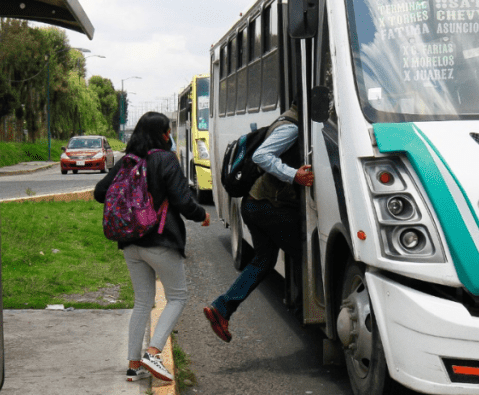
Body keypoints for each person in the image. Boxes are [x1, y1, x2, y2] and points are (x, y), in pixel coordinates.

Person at [94, 111, 210, 383]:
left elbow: (100, 193)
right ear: (162, 134)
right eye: (167, 131)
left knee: (143, 302)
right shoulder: (165, 159)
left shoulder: (127, 161)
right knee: (178, 297)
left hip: (130, 243)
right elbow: (183, 201)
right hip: (160, 240)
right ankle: (154, 352)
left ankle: (134, 366)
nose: (170, 135)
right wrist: (202, 215)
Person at [204, 102, 314, 343]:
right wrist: (294, 175)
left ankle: (222, 308)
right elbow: (261, 156)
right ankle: (304, 310)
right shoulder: (293, 127)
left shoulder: (287, 119)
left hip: (255, 204)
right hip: (267, 206)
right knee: (306, 254)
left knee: (264, 260)